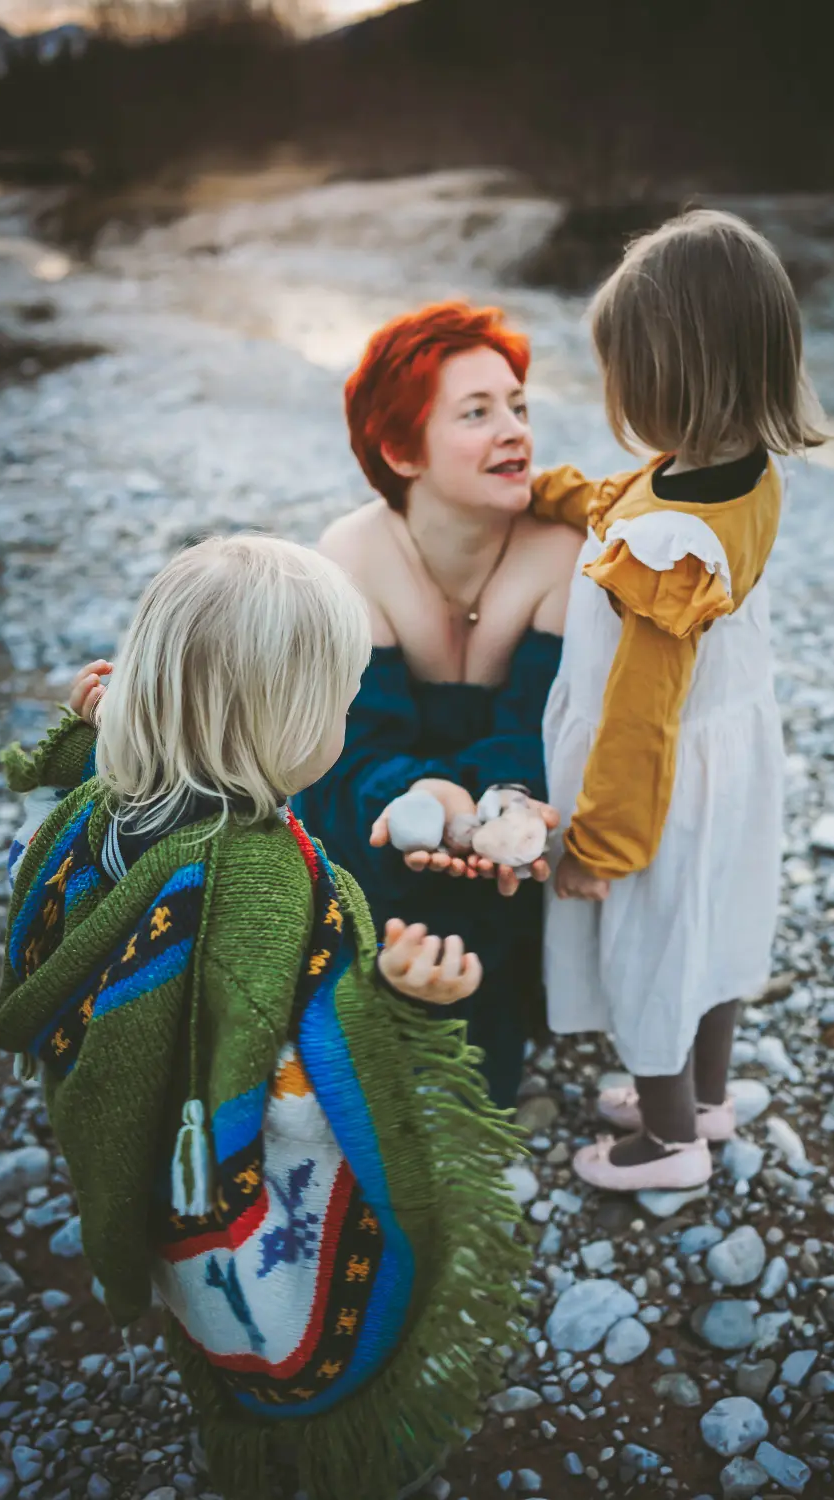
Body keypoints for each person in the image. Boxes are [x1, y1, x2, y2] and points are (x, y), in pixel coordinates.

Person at [0, 535, 528, 1500]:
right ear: (279, 725)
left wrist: (107, 721)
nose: (348, 720)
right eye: (339, 703)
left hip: (148, 1156)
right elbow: (291, 1081)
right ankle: (338, 1451)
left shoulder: (104, 809)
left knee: (205, 1301)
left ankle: (235, 1421)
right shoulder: (265, 881)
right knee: (290, 1321)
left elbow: (109, 783)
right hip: (242, 1181)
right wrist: (400, 1002)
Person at [533, 209, 827, 1192]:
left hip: (660, 784)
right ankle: (707, 1097)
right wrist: (561, 493)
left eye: (619, 369)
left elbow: (638, 712)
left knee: (651, 946)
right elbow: (634, 493)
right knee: (711, 930)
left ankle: (667, 1142)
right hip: (731, 759)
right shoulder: (739, 476)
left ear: (667, 380)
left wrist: (598, 847)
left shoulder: (664, 547)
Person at [291, 301, 582, 1111]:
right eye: (477, 413)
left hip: (504, 846)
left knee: (482, 1081)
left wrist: (494, 807)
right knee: (351, 1064)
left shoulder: (562, 553)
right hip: (373, 821)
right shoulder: (353, 556)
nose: (515, 430)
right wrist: (427, 802)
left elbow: (534, 726)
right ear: (399, 449)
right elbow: (347, 751)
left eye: (520, 407)